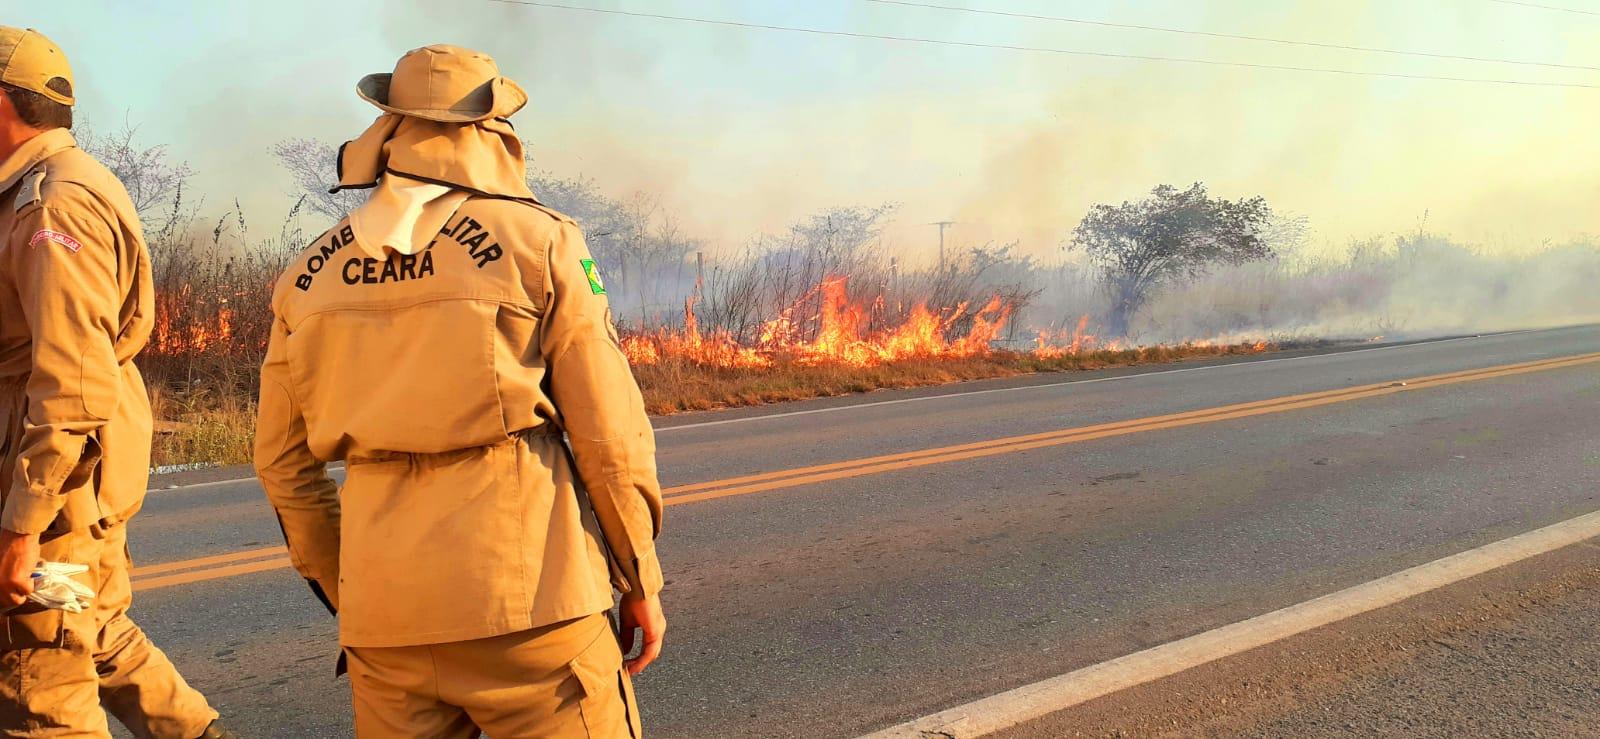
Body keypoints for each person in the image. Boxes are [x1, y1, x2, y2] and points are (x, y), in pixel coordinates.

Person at [255, 44, 666, 737]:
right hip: (531, 609)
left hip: (385, 627)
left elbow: (281, 465)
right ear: (490, 131)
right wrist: (640, 578)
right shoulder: (542, 242)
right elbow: (609, 437)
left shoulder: (306, 274)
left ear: (391, 127)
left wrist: (354, 593)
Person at [0, 26, 231, 739]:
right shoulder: (41, 190)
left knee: (40, 678)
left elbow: (72, 378)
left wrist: (22, 524)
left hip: (54, 487)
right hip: (63, 478)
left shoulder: (51, 206)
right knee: (91, 628)